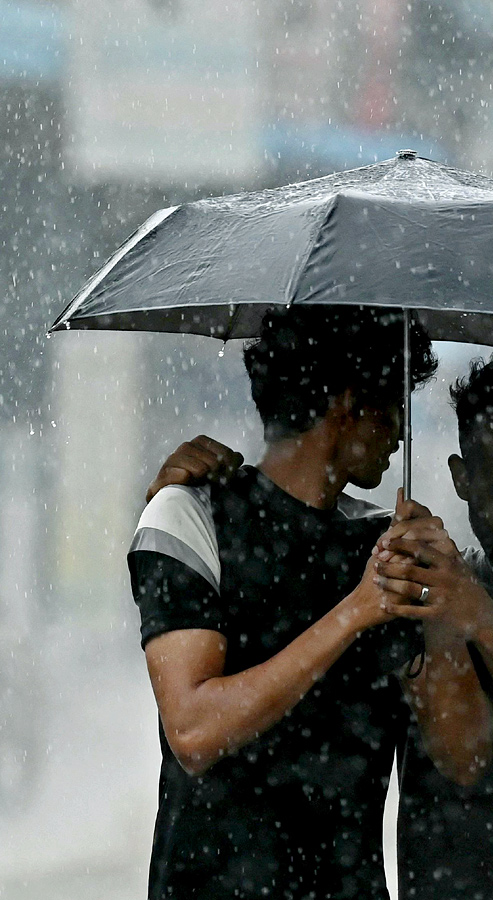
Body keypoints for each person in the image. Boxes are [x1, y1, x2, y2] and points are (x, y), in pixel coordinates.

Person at [153, 352, 493, 900]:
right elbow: (450, 754)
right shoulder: (420, 584)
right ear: (462, 479)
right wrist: (196, 504)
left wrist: (484, 621)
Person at [129, 306, 447, 900]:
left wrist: (450, 605)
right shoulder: (190, 515)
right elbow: (195, 731)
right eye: (394, 407)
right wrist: (357, 611)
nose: (402, 431)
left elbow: (453, 749)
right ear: (348, 407)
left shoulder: (385, 548)